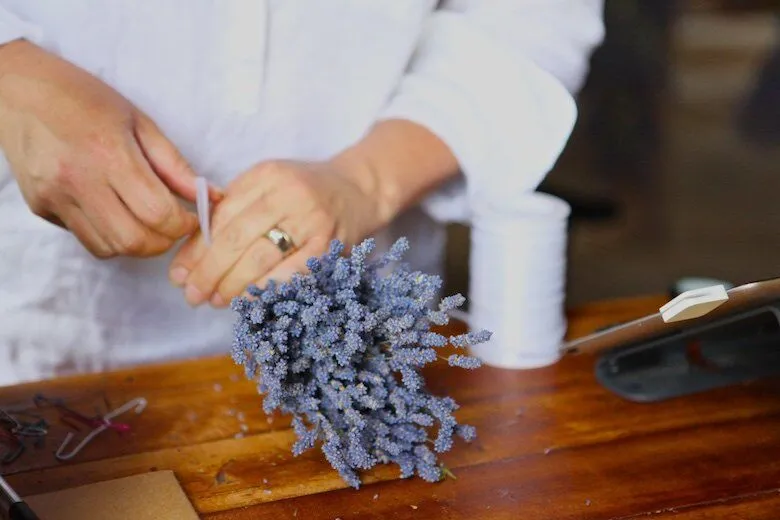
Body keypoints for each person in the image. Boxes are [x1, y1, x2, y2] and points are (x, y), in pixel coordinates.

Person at [0, 1, 604, 385]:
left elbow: (533, 16)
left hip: (358, 337)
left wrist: (366, 178)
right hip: (48, 325)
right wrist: (15, 77)